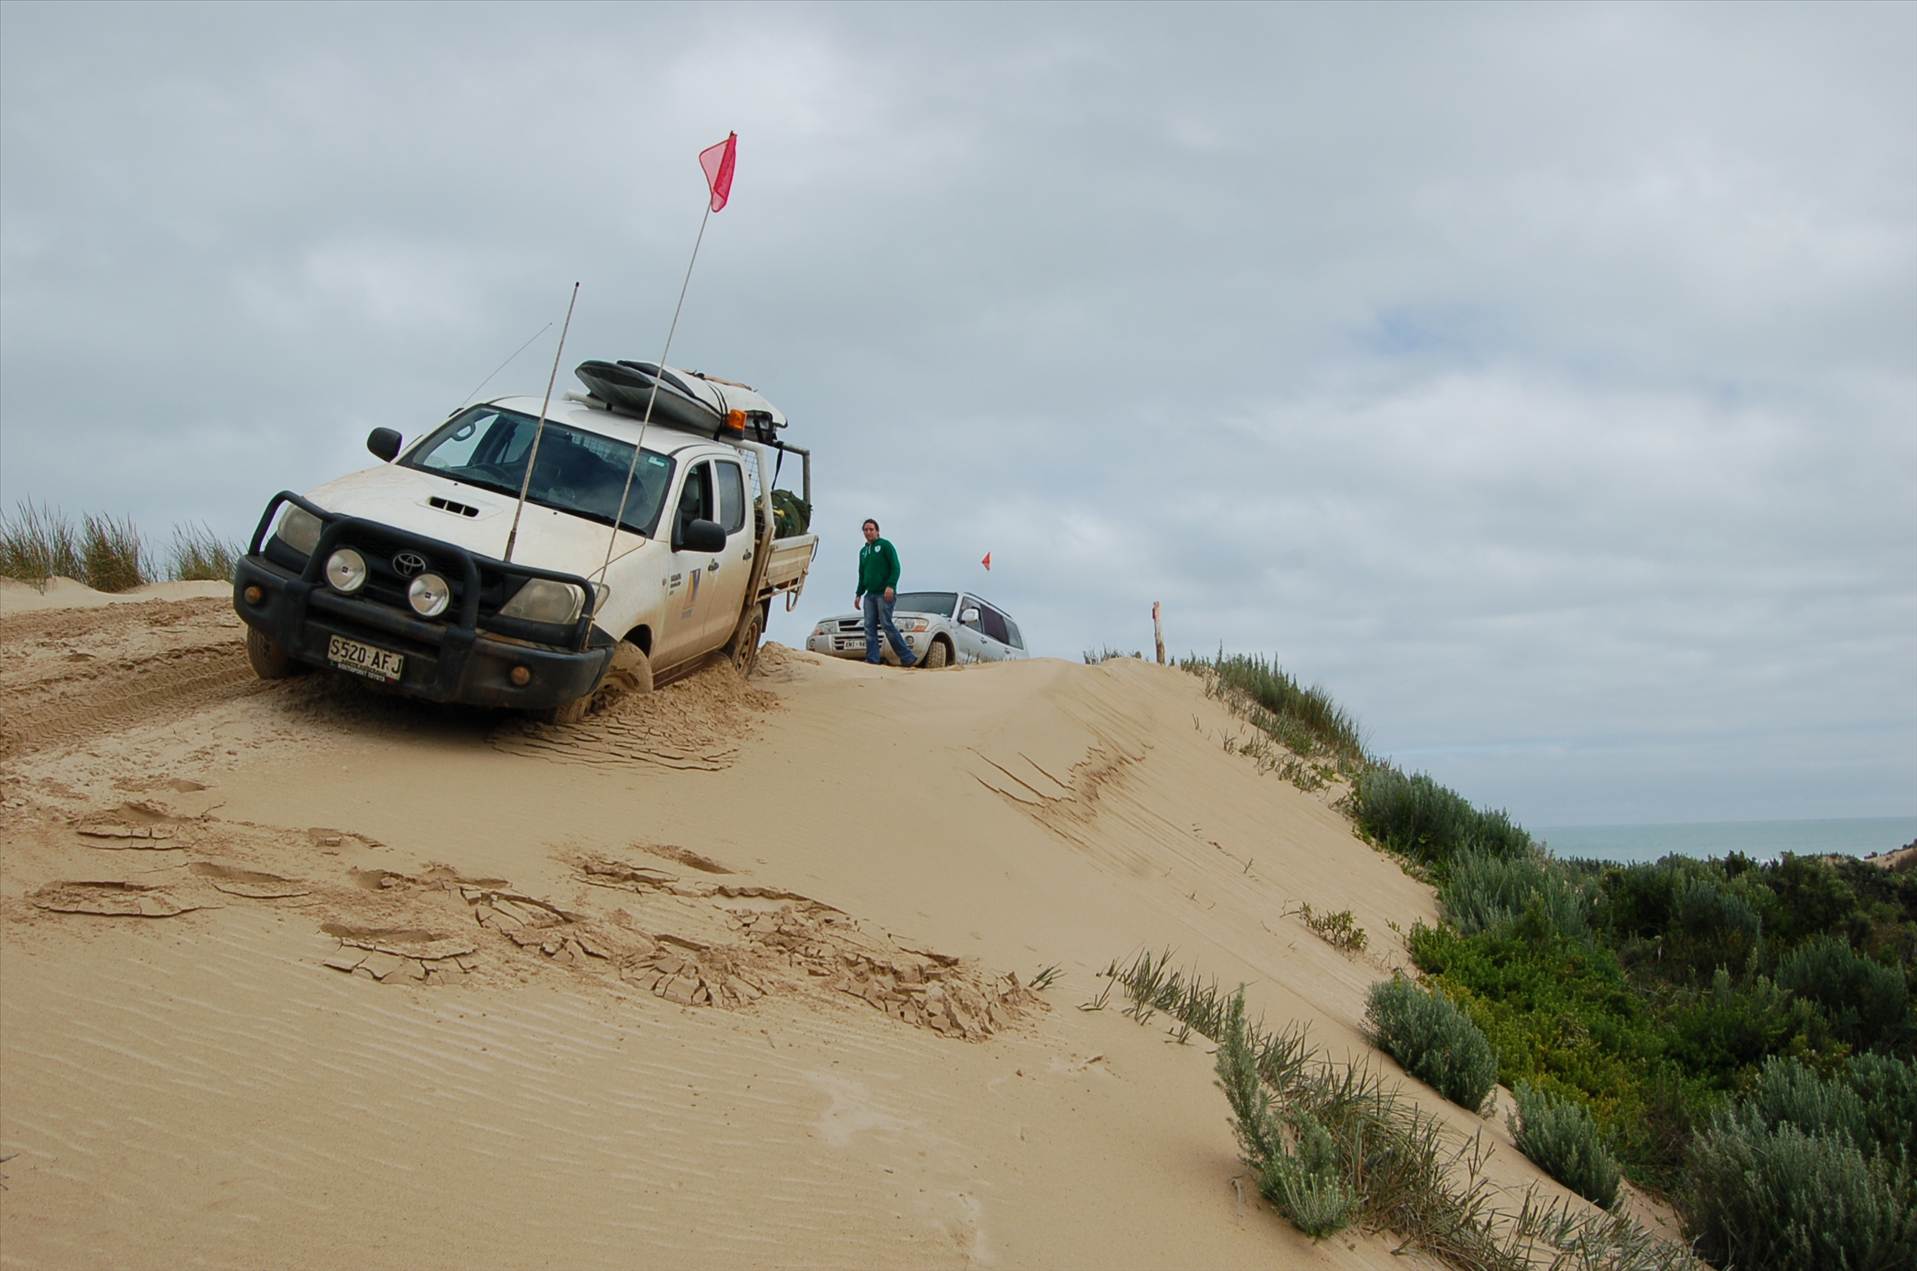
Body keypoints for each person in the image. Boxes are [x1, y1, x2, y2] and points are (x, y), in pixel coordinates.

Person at [855, 518, 917, 667]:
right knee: (869, 627)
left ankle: (907, 657)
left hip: (884, 593)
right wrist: (858, 594)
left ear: (877, 531)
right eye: (866, 530)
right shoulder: (863, 552)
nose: (868, 532)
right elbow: (862, 574)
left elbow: (896, 567)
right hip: (869, 595)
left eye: (871, 529)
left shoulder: (885, 545)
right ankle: (872, 659)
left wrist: (891, 585)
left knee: (886, 624)